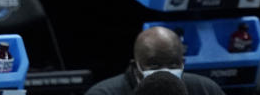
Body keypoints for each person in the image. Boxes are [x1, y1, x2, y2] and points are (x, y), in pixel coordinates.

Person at [85, 27, 224, 95]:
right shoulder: (103, 94)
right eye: (154, 64)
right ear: (135, 66)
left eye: (173, 64)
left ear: (183, 63)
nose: (165, 71)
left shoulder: (206, 90)